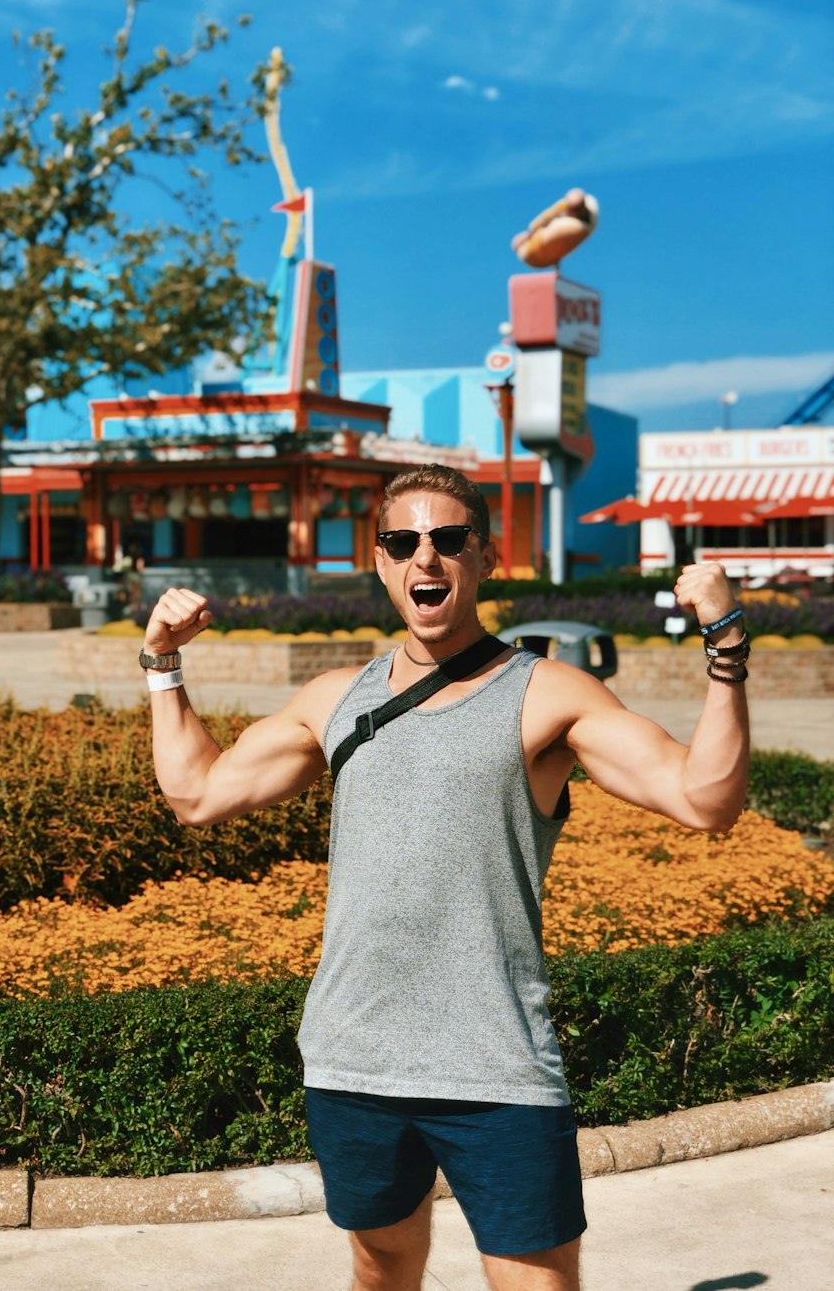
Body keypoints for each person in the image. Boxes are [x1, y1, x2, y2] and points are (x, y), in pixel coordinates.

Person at [141, 464, 750, 1291]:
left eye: (449, 539)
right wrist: (162, 667)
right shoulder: (334, 700)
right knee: (382, 1267)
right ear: (383, 561)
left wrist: (727, 644)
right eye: (404, 541)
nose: (426, 557)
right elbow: (199, 794)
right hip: (354, 1058)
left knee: (535, 1281)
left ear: (486, 556)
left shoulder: (546, 695)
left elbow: (705, 797)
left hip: (496, 1063)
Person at [511, 188, 599, 268]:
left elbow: (539, 225)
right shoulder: (566, 211)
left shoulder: (570, 227)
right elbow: (541, 221)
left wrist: (531, 233)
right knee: (519, 241)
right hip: (539, 250)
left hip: (537, 251)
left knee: (519, 242)